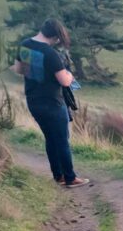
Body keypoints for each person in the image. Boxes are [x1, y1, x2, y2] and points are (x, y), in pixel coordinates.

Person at [12, 19, 89, 189]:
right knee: (62, 140)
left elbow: (19, 70)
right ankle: (70, 178)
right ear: (54, 36)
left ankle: (58, 176)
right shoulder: (51, 54)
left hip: (34, 101)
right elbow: (64, 81)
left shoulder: (26, 45)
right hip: (53, 102)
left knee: (50, 138)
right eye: (58, 39)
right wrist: (69, 75)